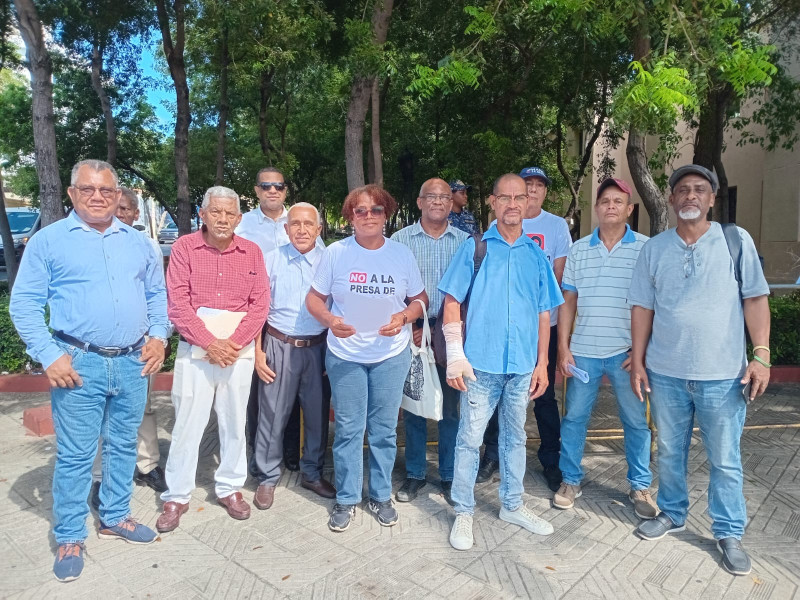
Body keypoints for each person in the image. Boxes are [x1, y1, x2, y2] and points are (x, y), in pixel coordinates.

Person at [9, 160, 169, 582]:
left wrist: (159, 336)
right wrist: (48, 353)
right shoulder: (49, 242)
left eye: (106, 190)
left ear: (118, 195)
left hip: (134, 362)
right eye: (87, 189)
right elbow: (23, 303)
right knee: (77, 456)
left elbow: (157, 294)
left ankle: (115, 515)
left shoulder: (139, 243)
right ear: (71, 193)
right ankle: (69, 534)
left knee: (122, 447)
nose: (97, 196)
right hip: (79, 364)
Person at [628, 164, 771, 576]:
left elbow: (756, 299)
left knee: (725, 459)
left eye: (699, 190)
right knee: (671, 451)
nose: (690, 196)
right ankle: (672, 513)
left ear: (711, 199)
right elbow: (643, 308)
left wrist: (760, 354)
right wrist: (637, 360)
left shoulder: (734, 241)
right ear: (671, 201)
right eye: (683, 191)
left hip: (723, 376)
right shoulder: (654, 250)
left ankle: (728, 531)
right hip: (666, 373)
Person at [439, 173, 564, 551]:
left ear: (528, 202)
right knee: (470, 439)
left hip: (522, 366)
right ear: (492, 202)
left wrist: (543, 363)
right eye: (505, 197)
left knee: (515, 437)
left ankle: (512, 504)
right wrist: (456, 357)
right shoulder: (475, 248)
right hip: (480, 366)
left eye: (519, 197)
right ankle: (463, 511)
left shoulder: (535, 255)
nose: (513, 204)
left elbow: (545, 312)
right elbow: (451, 303)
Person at [306, 184, 428, 532]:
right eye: (361, 210)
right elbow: (314, 299)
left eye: (377, 210)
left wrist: (404, 317)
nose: (369, 216)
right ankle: (346, 499)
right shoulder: (335, 254)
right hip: (346, 355)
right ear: (351, 216)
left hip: (390, 355)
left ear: (386, 214)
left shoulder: (401, 255)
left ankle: (380, 494)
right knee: (348, 429)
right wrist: (330, 320)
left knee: (384, 431)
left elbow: (420, 299)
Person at [156, 186, 269, 533]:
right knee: (188, 421)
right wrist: (209, 342)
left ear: (238, 218)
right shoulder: (184, 248)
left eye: (229, 214)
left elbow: (260, 303)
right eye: (215, 212)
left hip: (239, 350)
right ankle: (176, 494)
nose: (222, 219)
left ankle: (230, 487)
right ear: (202, 214)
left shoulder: (251, 251)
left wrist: (232, 343)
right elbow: (177, 304)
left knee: (235, 422)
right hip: (196, 347)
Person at [554, 178, 657, 519]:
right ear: (596, 209)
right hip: (583, 352)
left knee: (636, 423)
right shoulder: (579, 250)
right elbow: (568, 301)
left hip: (627, 356)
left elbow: (653, 304)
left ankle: (640, 486)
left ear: (629, 209)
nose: (610, 206)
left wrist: (641, 352)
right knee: (573, 419)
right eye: (604, 201)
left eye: (618, 201)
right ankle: (570, 480)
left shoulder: (646, 248)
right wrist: (563, 348)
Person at [479, 166, 571, 491]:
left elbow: (555, 280)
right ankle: (492, 455)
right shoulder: (498, 223)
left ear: (545, 192)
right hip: (504, 330)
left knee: (543, 396)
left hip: (543, 325)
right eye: (526, 185)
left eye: (538, 186)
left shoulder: (557, 226)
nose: (532, 191)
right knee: (497, 392)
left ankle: (550, 459)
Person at [252, 203, 335, 509]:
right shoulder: (270, 260)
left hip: (318, 347)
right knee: (272, 415)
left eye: (308, 224)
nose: (301, 230)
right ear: (285, 229)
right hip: (278, 345)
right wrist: (258, 353)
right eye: (295, 224)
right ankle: (267, 477)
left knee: (316, 415)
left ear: (318, 229)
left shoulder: (330, 261)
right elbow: (258, 311)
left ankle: (311, 473)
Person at [391, 178, 469, 504]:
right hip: (414, 332)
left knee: (452, 409)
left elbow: (471, 294)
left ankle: (449, 476)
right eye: (431, 197)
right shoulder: (399, 240)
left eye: (444, 197)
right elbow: (392, 291)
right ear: (420, 202)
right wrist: (411, 327)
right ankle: (415, 474)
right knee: (414, 407)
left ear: (452, 204)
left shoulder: (466, 243)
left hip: (452, 334)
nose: (438, 201)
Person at [89, 188, 168, 510]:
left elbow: (156, 295)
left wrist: (157, 338)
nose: (120, 213)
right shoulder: (88, 244)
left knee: (144, 409)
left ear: (136, 214)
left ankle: (147, 465)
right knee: (99, 415)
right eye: (115, 207)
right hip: (93, 350)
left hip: (138, 347)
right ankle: (99, 477)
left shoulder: (146, 246)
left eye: (126, 209)